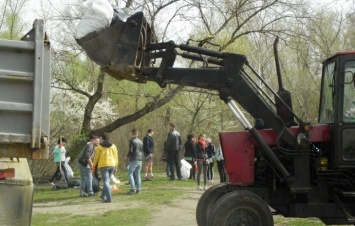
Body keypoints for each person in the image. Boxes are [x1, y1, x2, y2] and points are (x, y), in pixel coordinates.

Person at [92, 132, 118, 203]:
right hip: (112, 165)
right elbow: (116, 156)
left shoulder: (100, 147)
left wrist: (93, 166)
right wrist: (116, 166)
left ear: (102, 138)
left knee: (106, 182)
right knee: (107, 182)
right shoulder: (113, 146)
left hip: (103, 165)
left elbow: (96, 157)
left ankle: (109, 198)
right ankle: (103, 195)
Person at [125, 128, 143, 195]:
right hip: (140, 159)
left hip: (134, 158)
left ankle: (133, 189)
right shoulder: (140, 141)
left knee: (130, 173)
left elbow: (131, 150)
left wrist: (127, 156)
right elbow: (141, 150)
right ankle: (138, 189)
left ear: (132, 133)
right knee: (138, 174)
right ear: (138, 133)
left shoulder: (132, 140)